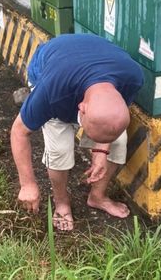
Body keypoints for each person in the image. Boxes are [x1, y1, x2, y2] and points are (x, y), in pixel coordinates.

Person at [10, 33, 144, 231]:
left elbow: (110, 120)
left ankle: (97, 197)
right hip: (52, 66)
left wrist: (101, 151)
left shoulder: (132, 77)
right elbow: (18, 132)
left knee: (118, 142)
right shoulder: (51, 92)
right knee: (60, 151)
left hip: (91, 62)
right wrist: (27, 184)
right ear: (80, 108)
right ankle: (61, 202)